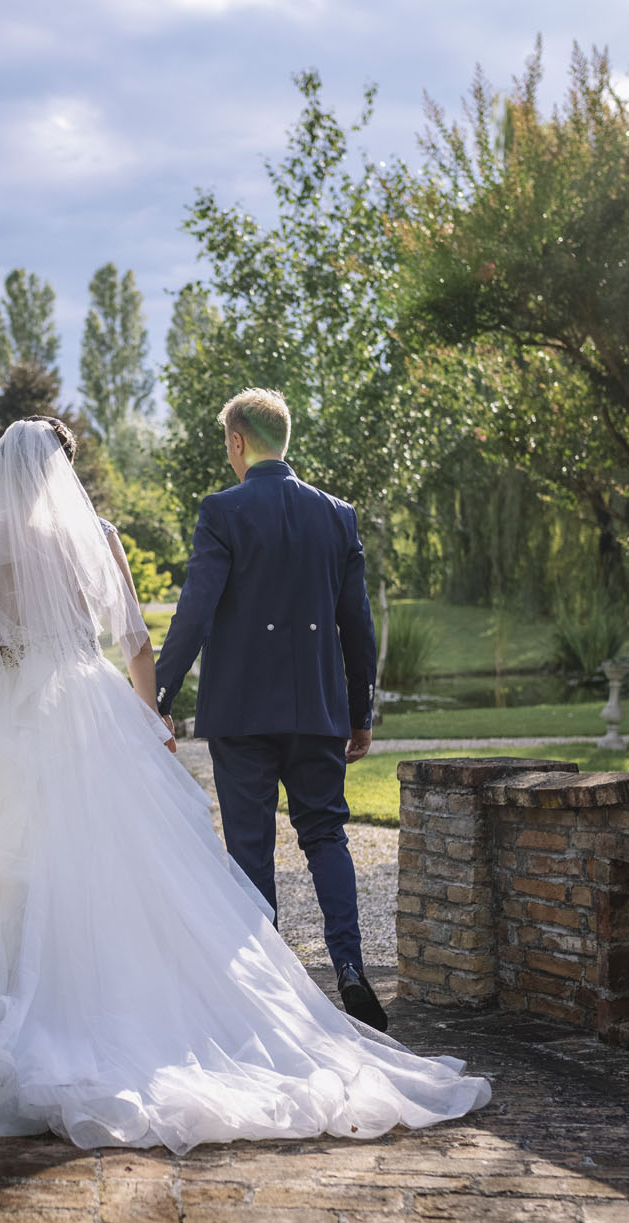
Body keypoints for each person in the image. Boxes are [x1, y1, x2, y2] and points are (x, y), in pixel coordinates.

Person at [0, 412, 489, 1155]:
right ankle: (284, 978)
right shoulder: (99, 537)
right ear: (63, 473)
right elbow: (137, 642)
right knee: (141, 862)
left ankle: (34, 995)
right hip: (96, 703)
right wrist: (150, 720)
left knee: (21, 856)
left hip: (16, 709)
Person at [152, 387, 387, 1031]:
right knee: (325, 834)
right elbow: (356, 627)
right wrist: (360, 712)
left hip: (242, 716)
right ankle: (350, 968)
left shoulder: (222, 512)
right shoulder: (337, 516)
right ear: (284, 439)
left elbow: (194, 615)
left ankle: (273, 996)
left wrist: (158, 699)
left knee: (250, 848)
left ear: (237, 441)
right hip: (318, 711)